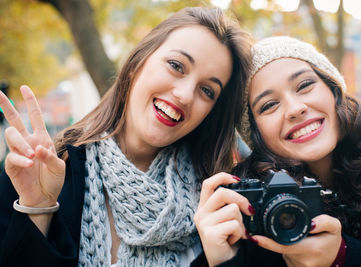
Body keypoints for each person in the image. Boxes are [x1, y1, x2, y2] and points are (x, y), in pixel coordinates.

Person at [0, 7, 253, 266]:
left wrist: (222, 261)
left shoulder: (221, 208)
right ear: (137, 64)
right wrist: (37, 210)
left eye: (207, 91)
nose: (185, 95)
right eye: (176, 66)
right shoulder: (42, 173)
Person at [194, 36, 361, 266]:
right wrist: (223, 260)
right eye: (269, 105)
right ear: (255, 133)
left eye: (304, 85)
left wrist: (342, 257)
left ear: (333, 92)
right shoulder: (245, 217)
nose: (295, 109)